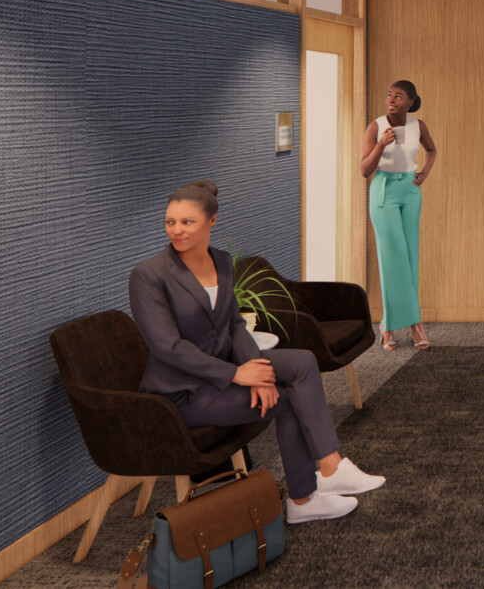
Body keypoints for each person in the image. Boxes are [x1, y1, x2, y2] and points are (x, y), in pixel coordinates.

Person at [129, 180, 386, 524]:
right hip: (182, 393)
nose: (176, 230)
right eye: (170, 221)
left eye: (187, 222)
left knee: (302, 361)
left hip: (225, 367)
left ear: (211, 222)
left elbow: (234, 324)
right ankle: (304, 498)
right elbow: (168, 347)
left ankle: (330, 466)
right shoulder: (149, 276)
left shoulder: (220, 262)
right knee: (290, 400)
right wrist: (239, 374)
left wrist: (257, 369)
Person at [360, 79, 436, 350]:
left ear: (410, 102)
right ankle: (394, 324)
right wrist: (381, 144)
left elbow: (432, 149)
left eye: (398, 96)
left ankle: (404, 323)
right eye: (389, 95)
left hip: (410, 192)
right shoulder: (376, 127)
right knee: (392, 258)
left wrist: (424, 173)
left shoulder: (418, 126)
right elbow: (364, 170)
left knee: (410, 257)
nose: (391, 100)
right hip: (383, 192)